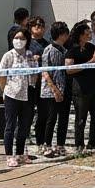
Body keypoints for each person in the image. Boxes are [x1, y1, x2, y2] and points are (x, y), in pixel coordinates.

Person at [0, 27, 36, 168]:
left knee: (24, 126)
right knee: (10, 126)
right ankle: (9, 156)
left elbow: (35, 74)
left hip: (27, 94)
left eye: (22, 38)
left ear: (27, 40)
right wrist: (5, 91)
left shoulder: (30, 55)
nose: (19, 41)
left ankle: (20, 154)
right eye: (16, 38)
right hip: (12, 94)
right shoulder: (8, 55)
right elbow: (1, 76)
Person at [66, 21, 95, 152]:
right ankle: (79, 144)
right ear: (80, 35)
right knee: (81, 118)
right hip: (80, 88)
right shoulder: (72, 49)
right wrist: (90, 62)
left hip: (94, 86)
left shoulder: (91, 47)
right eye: (87, 34)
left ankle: (93, 142)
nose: (89, 35)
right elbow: (69, 69)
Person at [36, 22, 71, 158]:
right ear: (61, 35)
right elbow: (45, 72)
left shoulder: (64, 50)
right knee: (51, 118)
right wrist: (54, 89)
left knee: (63, 118)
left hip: (64, 88)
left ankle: (60, 144)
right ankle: (47, 144)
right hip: (51, 90)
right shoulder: (49, 49)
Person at [23, 16, 49, 152]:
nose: (39, 28)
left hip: (43, 83)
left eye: (42, 25)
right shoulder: (26, 44)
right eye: (36, 25)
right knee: (28, 112)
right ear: (30, 28)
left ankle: (41, 140)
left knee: (43, 113)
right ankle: (24, 137)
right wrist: (32, 60)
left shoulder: (47, 44)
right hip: (29, 83)